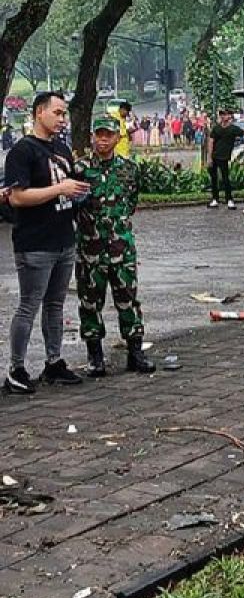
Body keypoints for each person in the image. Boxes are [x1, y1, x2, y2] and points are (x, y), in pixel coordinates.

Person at [2, 91, 89, 394]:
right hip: (34, 243)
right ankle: (16, 368)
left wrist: (77, 190)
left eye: (64, 113)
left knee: (56, 304)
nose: (62, 119)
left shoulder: (62, 149)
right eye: (57, 112)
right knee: (29, 305)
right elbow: (17, 197)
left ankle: (54, 362)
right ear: (39, 112)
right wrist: (59, 188)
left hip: (64, 239)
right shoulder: (23, 151)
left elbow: (71, 188)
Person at [74, 116, 154, 376]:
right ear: (92, 137)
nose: (103, 139)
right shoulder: (80, 169)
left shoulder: (129, 169)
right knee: (89, 302)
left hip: (121, 248)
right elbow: (74, 206)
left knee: (128, 301)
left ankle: (135, 352)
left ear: (118, 138)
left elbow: (130, 204)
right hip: (90, 249)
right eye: (99, 134)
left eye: (108, 135)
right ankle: (95, 356)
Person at [206, 109, 243, 209]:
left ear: (229, 116)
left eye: (225, 114)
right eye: (221, 114)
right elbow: (211, 142)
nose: (223, 116)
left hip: (224, 157)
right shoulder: (216, 128)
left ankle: (229, 199)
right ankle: (215, 199)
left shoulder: (233, 129)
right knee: (214, 179)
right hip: (215, 156)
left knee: (226, 179)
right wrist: (209, 157)